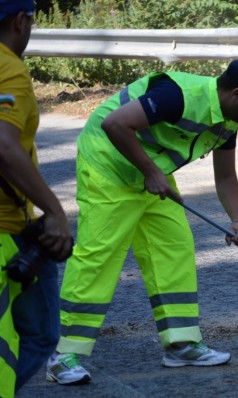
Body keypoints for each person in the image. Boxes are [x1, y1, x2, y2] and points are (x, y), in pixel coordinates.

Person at [45, 57, 238, 386]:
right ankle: (63, 353)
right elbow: (114, 124)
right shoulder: (178, 94)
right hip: (108, 166)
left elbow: (225, 176)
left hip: (151, 175)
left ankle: (181, 345)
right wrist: (152, 172)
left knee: (174, 248)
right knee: (99, 256)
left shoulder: (227, 120)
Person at [0, 0, 74, 396]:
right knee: (39, 336)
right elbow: (4, 147)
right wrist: (55, 209)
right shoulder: (8, 67)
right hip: (5, 231)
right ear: (18, 21)